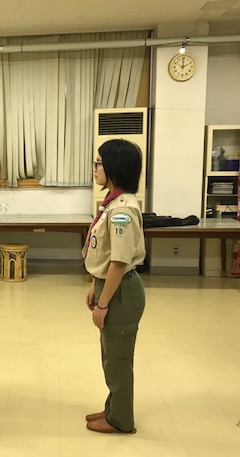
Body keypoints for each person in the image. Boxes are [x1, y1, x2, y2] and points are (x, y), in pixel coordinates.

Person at [82, 139, 146, 434]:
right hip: (110, 286)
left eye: (99, 163)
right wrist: (96, 286)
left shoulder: (122, 210)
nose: (95, 168)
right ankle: (113, 409)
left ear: (114, 167)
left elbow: (119, 262)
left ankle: (121, 421)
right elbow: (106, 256)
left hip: (121, 293)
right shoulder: (112, 202)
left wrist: (103, 303)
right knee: (110, 356)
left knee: (118, 360)